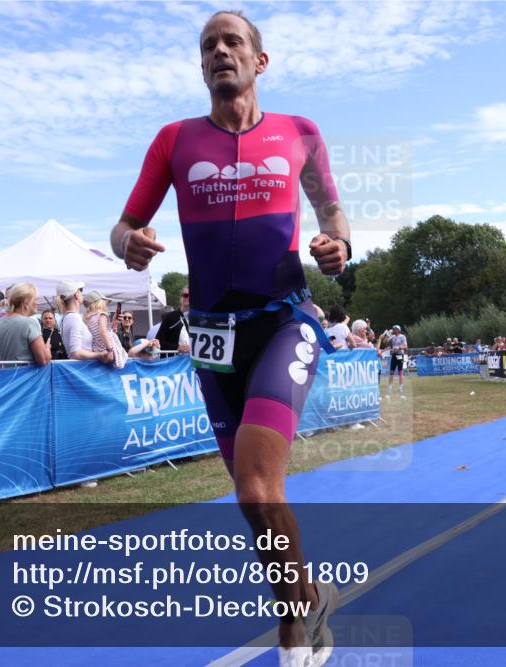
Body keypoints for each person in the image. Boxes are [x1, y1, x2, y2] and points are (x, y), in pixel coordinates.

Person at [109, 11, 346, 664]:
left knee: (256, 487)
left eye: (232, 41)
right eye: (208, 45)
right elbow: (124, 224)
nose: (219, 51)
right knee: (254, 500)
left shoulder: (301, 132)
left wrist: (339, 243)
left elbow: (329, 207)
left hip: (282, 321)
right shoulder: (174, 140)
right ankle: (306, 597)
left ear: (259, 61)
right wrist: (128, 242)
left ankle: (295, 621)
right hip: (212, 337)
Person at [0, 283, 51, 366]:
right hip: (23, 377)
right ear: (26, 303)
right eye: (35, 299)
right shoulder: (29, 323)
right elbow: (43, 359)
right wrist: (47, 348)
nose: (37, 303)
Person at [56, 280, 114, 364]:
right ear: (76, 295)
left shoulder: (67, 317)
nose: (82, 293)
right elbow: (75, 353)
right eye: (80, 290)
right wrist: (100, 354)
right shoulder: (74, 318)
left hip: (81, 369)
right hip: (83, 369)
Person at [84, 290, 127, 369]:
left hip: (97, 348)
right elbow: (103, 331)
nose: (107, 306)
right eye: (106, 304)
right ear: (100, 303)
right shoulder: (102, 315)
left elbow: (100, 331)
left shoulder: (88, 319)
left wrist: (114, 323)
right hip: (108, 347)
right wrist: (110, 349)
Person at [151, 286, 191, 354]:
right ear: (180, 298)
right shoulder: (170, 317)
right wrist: (177, 347)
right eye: (185, 295)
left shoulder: (199, 319)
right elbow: (158, 341)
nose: (188, 297)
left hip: (193, 362)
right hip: (175, 361)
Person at [386, 325, 407, 395]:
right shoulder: (392, 337)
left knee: (400, 371)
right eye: (393, 329)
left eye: (395, 329)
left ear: (398, 330)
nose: (394, 330)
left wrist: (399, 347)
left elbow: (406, 346)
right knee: (391, 371)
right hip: (394, 355)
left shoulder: (402, 336)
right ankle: (390, 387)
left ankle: (401, 387)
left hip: (400, 355)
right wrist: (387, 334)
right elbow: (385, 341)